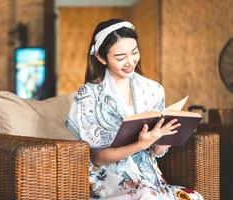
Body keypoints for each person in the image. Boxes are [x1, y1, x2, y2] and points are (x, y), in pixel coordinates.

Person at [65, 19, 204, 200]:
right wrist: (139, 144)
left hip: (148, 177)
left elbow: (156, 151)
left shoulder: (153, 90)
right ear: (101, 57)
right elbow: (97, 158)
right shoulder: (88, 95)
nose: (130, 62)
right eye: (120, 58)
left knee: (194, 197)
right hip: (108, 180)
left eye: (135, 52)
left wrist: (166, 138)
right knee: (147, 196)